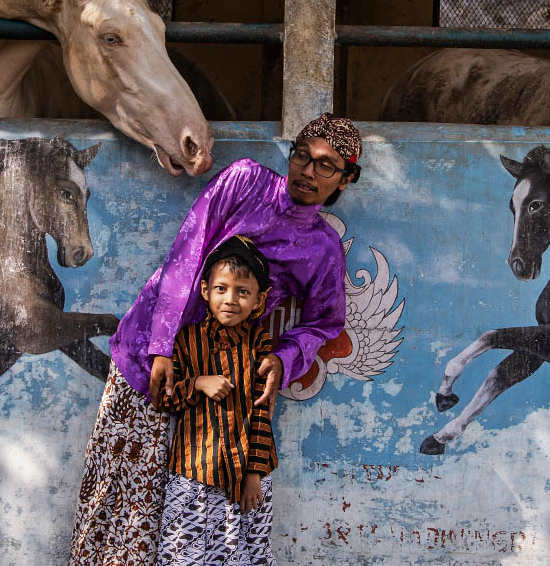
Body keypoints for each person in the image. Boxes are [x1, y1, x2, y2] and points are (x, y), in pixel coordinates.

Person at [69, 113, 363, 565]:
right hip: (152, 355)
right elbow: (187, 252)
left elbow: (325, 322)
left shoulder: (321, 248)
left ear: (345, 179)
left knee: (189, 519)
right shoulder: (245, 181)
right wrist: (161, 346)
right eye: (302, 156)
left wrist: (284, 358)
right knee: (123, 497)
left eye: (326, 165)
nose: (308, 171)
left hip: (220, 388)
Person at [156, 235, 278, 565]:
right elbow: (165, 400)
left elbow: (263, 412)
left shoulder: (259, 343)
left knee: (243, 553)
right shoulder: (186, 340)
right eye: (221, 288)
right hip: (194, 470)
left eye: (243, 292)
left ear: (259, 299)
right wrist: (197, 384)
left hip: (246, 476)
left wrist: (254, 473)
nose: (230, 299)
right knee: (183, 554)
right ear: (205, 290)